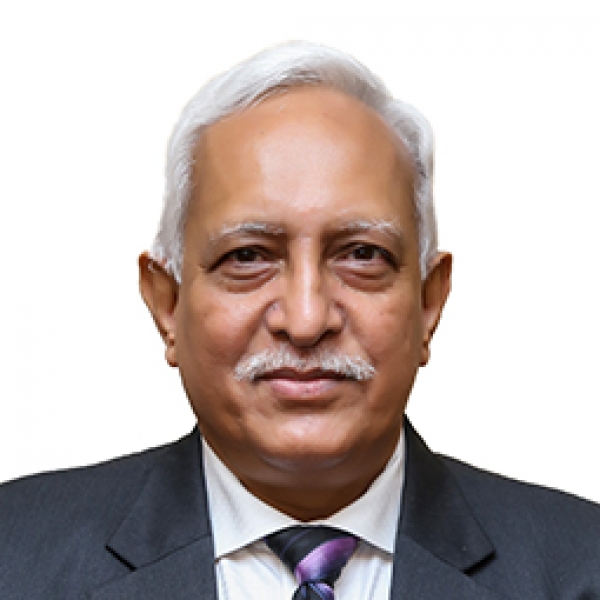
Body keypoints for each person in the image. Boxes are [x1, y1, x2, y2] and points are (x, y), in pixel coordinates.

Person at [0, 41, 598, 600]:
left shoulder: (582, 566)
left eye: (361, 254)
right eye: (248, 257)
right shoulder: (14, 558)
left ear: (428, 303)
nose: (307, 321)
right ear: (167, 304)